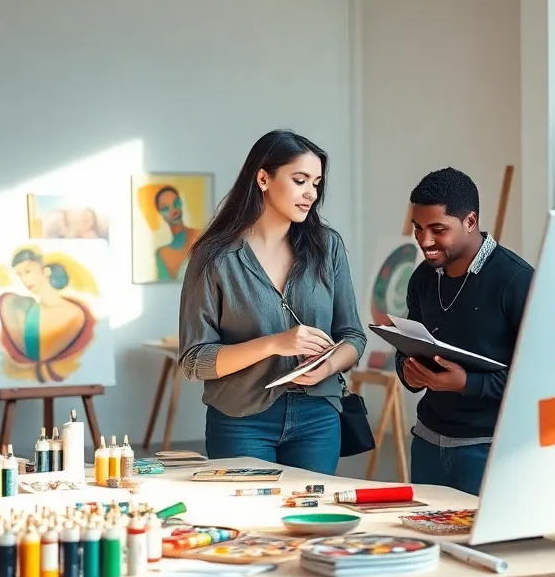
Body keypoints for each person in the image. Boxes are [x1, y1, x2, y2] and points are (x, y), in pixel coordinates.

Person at [177, 130, 367, 475]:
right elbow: (194, 360)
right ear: (263, 178)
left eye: (317, 183)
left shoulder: (328, 247)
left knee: (313, 523)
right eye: (300, 180)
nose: (311, 193)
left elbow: (353, 336)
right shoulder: (214, 256)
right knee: (250, 523)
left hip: (318, 419)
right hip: (241, 421)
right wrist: (274, 344)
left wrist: (327, 367)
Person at [394, 168, 533, 495]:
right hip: (426, 442)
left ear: (470, 222)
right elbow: (408, 347)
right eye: (418, 228)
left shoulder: (516, 280)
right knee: (428, 544)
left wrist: (467, 383)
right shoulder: (422, 278)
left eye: (437, 229)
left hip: (488, 450)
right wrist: (408, 372)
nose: (424, 241)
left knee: (483, 548)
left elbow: (535, 378)